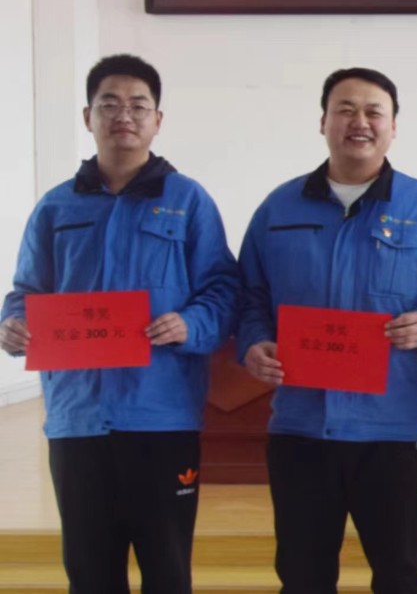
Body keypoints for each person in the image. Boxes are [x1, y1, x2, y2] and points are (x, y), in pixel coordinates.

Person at [1, 54, 239, 594]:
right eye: (109, 104)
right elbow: (27, 292)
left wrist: (190, 323)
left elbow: (224, 288)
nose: (123, 115)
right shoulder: (56, 207)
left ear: (158, 120)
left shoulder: (188, 201)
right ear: (88, 117)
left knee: (167, 570)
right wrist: (13, 324)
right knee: (89, 572)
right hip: (78, 418)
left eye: (138, 105)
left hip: (161, 415)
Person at [238, 67, 417, 594]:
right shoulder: (279, 208)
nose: (358, 122)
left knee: (400, 574)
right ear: (323, 122)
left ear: (393, 127)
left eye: (373, 112)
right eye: (345, 110)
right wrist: (253, 342)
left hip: (390, 428)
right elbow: (249, 294)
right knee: (302, 575)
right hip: (300, 426)